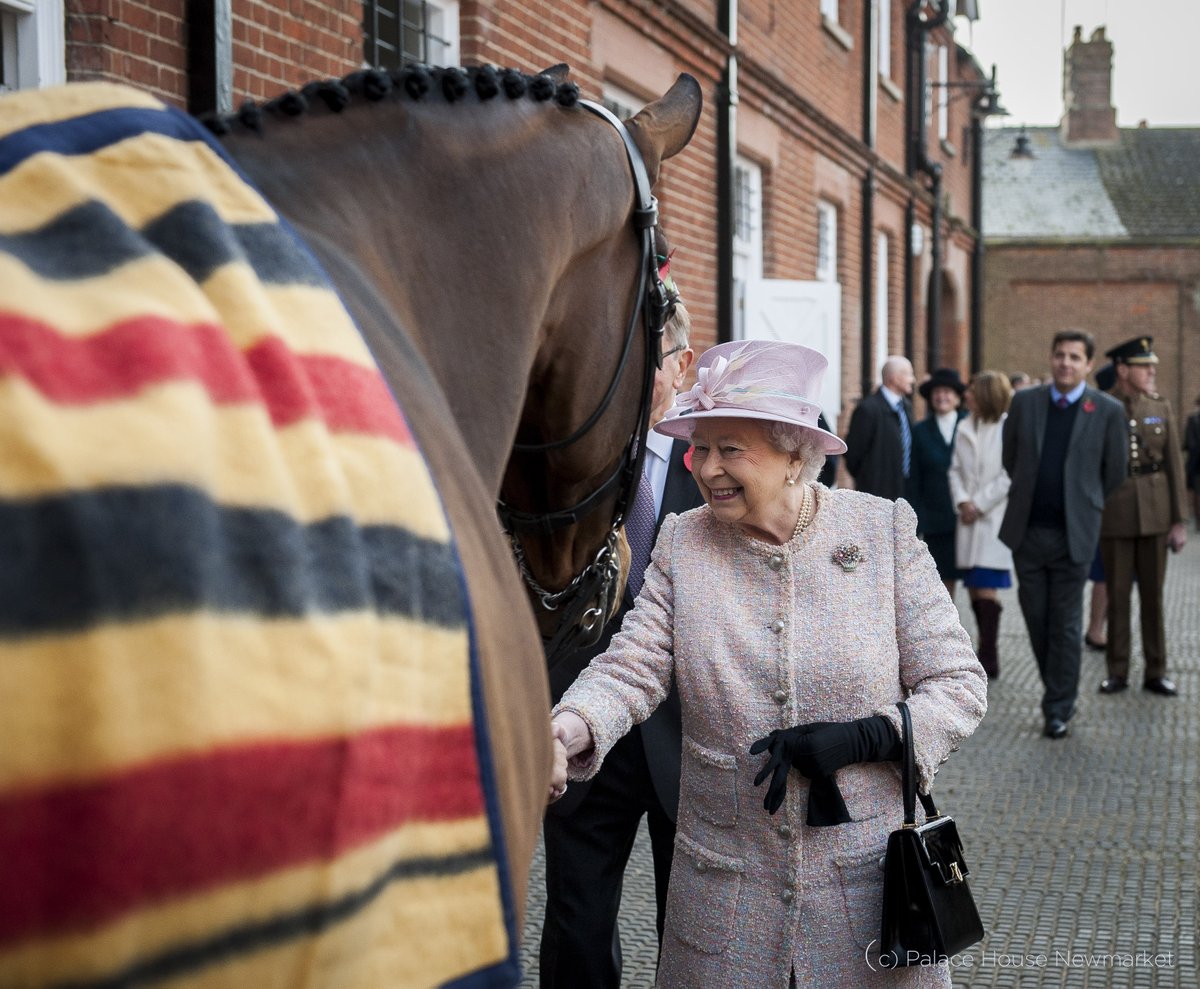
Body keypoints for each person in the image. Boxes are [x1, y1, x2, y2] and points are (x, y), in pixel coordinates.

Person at [549, 339, 987, 987]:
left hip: (863, 899)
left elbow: (958, 685)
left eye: (731, 448)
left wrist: (873, 735)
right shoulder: (683, 540)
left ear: (793, 454)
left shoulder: (882, 532)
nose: (706, 468)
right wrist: (567, 729)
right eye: (701, 447)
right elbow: (632, 666)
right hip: (723, 904)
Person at [539, 301, 704, 988]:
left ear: (683, 364)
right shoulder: (566, 465)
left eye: (646, 362)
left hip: (692, 741)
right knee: (575, 926)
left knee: (691, 933)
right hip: (582, 736)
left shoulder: (721, 466)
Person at [1000, 329, 1126, 739]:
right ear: (1051, 358)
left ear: (1088, 364)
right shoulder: (1025, 402)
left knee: (1068, 624)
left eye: (1075, 357)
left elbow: (1115, 472)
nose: (1065, 363)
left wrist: (1083, 502)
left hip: (1075, 535)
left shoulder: (1106, 410)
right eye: (1060, 355)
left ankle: (1058, 706)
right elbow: (1010, 457)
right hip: (1028, 533)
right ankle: (1056, 688)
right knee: (1037, 618)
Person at [1097, 336, 1189, 697]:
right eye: (1143, 365)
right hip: (1115, 511)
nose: (1152, 370)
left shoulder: (1160, 406)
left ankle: (1156, 670)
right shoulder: (1103, 407)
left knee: (1153, 597)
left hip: (1156, 512)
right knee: (1117, 597)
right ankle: (1117, 670)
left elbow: (1175, 469)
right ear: (1122, 370)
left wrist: (1179, 520)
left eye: (1151, 364)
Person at [949, 370, 1014, 679]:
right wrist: (962, 501)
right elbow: (955, 470)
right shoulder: (964, 425)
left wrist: (979, 503)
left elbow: (1008, 475)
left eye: (973, 390)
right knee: (975, 584)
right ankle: (984, 650)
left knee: (986, 582)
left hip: (992, 518)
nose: (967, 395)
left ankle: (990, 653)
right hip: (968, 517)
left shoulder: (1006, 428)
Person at [910, 368, 967, 595]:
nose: (942, 396)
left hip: (968, 515)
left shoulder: (969, 424)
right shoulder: (921, 431)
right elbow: (914, 477)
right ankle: (948, 628)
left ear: (957, 396)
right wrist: (916, 518)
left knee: (978, 581)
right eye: (937, 392)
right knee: (942, 580)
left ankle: (984, 630)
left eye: (947, 392)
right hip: (936, 517)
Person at [844, 354, 916, 500]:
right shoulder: (868, 409)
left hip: (904, 493)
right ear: (895, 378)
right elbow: (853, 455)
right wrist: (870, 480)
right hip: (876, 496)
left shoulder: (906, 408)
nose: (913, 380)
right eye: (909, 374)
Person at [1084, 361, 1118, 652]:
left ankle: (1102, 628)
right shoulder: (1100, 414)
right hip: (1103, 509)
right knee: (1103, 573)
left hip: (1123, 508)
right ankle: (1095, 628)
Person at [1185, 391, 1200, 530]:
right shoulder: (1193, 419)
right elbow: (1190, 442)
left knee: (1198, 492)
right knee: (1197, 493)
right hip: (1197, 463)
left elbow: (1189, 442)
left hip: (1196, 462)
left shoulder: (1193, 419)